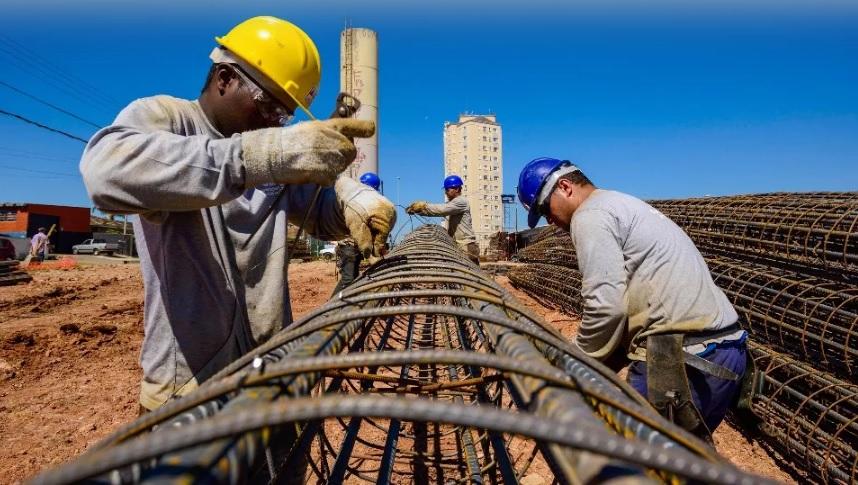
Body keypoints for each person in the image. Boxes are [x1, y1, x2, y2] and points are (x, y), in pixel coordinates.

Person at [79, 16, 396, 412]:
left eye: (284, 117)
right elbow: (105, 173)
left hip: (267, 372)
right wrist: (261, 155)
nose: (273, 123)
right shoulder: (167, 119)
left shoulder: (270, 161)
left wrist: (353, 200)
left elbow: (319, 210)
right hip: (188, 389)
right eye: (269, 106)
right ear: (225, 78)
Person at [517, 157, 747, 440]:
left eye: (545, 209)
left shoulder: (590, 215)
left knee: (631, 465)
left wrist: (571, 363)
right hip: (726, 351)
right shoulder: (621, 203)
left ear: (564, 187)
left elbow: (606, 306)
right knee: (679, 462)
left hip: (680, 358)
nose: (549, 221)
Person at [405, 175, 479, 264]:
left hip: (466, 245)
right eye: (445, 189)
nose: (446, 192)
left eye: (448, 189)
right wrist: (418, 211)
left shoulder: (461, 202)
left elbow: (441, 210)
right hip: (460, 244)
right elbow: (439, 210)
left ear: (457, 189)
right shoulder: (452, 203)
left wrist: (423, 206)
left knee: (469, 274)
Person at [331, 172, 381, 296]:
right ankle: (330, 309)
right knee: (348, 280)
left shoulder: (357, 199)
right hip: (349, 246)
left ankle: (341, 306)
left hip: (353, 247)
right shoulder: (356, 202)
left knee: (352, 278)